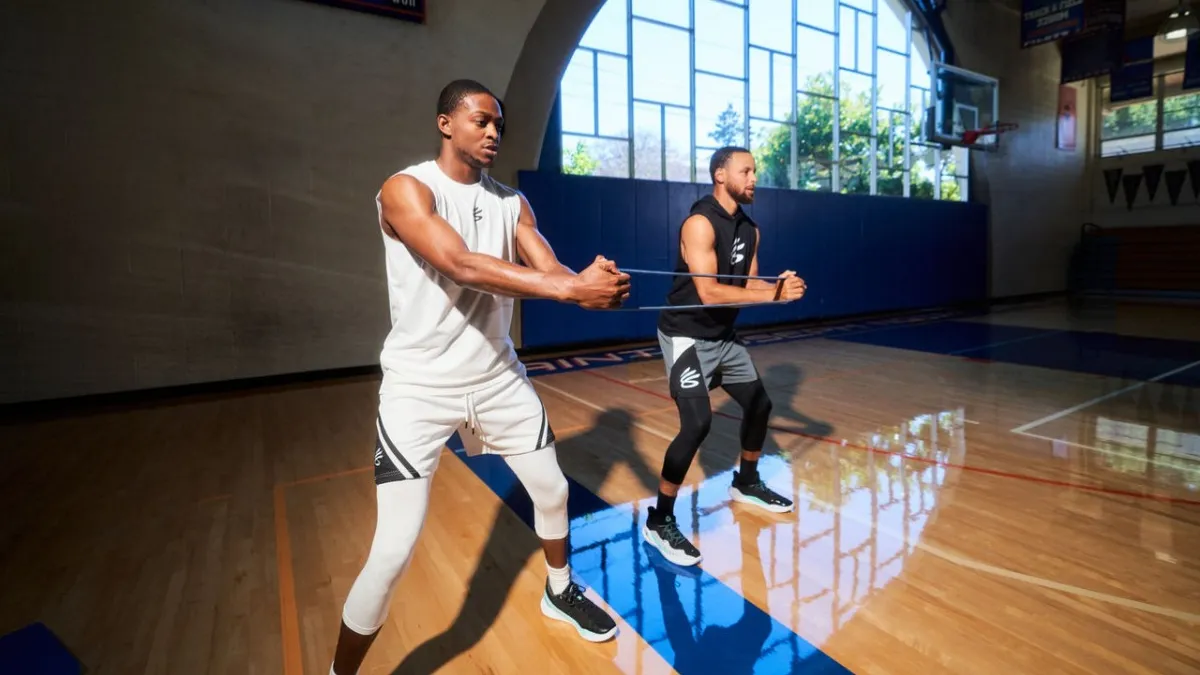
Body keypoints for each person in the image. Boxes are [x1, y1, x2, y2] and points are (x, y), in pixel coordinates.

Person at [330, 79, 629, 675]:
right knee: (392, 551)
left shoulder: (512, 202)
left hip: (497, 378)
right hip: (419, 388)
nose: (494, 132)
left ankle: (559, 589)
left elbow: (548, 266)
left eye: (499, 125)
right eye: (481, 121)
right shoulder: (407, 189)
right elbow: (460, 263)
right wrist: (570, 288)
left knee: (554, 491)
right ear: (446, 124)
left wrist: (589, 284)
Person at [643, 146, 806, 568]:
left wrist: (777, 286)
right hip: (685, 337)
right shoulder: (699, 223)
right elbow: (710, 292)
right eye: (745, 170)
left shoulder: (751, 230)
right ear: (720, 174)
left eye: (755, 171)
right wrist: (773, 294)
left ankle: (746, 482)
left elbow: (750, 285)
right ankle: (659, 520)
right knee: (697, 423)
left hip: (723, 336)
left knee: (761, 403)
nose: (754, 178)